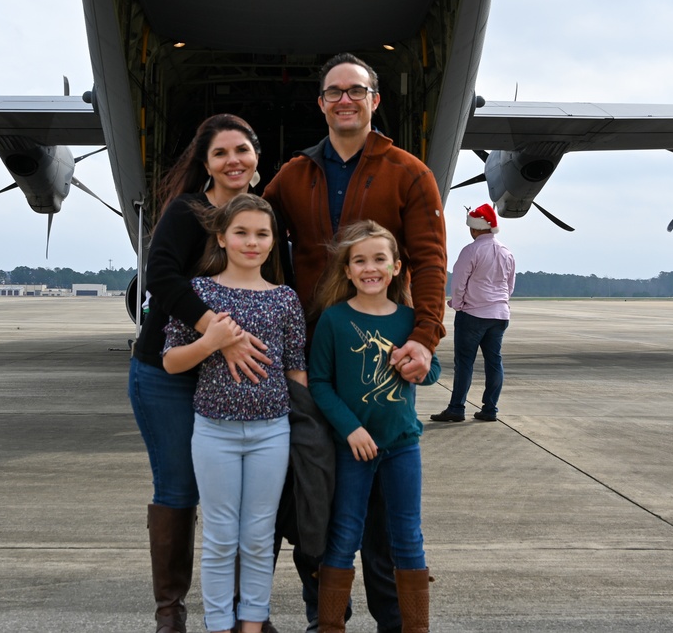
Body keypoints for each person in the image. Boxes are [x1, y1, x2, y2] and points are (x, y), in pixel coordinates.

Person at [263, 52, 446, 632]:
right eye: (334, 92)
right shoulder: (293, 175)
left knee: (388, 514)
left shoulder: (409, 172)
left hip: (381, 359)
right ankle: (328, 619)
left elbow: (431, 261)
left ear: (374, 100)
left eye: (356, 91)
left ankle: (397, 620)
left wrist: (424, 337)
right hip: (314, 360)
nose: (345, 99)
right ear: (321, 103)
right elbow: (255, 240)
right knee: (319, 499)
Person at [128, 114, 273, 633]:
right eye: (220, 153)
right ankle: (171, 612)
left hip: (231, 374)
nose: (233, 160)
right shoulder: (189, 213)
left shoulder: (260, 216)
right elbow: (160, 273)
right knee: (179, 488)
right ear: (206, 163)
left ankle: (244, 613)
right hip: (167, 372)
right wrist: (215, 330)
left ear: (256, 158)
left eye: (243, 150)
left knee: (238, 496)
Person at [162, 193, 307, 633]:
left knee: (260, 537)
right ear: (221, 237)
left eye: (261, 234)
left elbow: (295, 371)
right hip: (214, 431)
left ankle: (251, 623)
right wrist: (210, 341)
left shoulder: (285, 299)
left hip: (271, 432)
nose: (251, 242)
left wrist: (304, 433)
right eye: (241, 232)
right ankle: (219, 625)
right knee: (221, 537)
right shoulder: (201, 292)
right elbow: (171, 360)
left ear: (273, 242)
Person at [309, 220, 440, 632]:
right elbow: (319, 383)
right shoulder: (333, 320)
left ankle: (415, 626)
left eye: (379, 259)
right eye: (359, 260)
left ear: (397, 267)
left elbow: (432, 369)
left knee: (408, 536)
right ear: (346, 270)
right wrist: (350, 429)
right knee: (345, 534)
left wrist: (419, 367)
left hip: (402, 445)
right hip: (354, 448)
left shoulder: (409, 319)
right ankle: (331, 625)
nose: (370, 268)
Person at [431, 203, 515, 423]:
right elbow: (510, 285)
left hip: (474, 313)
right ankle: (490, 409)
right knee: (494, 361)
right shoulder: (507, 252)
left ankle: (457, 408)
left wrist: (457, 304)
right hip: (499, 314)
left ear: (475, 229)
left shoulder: (472, 250)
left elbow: (459, 282)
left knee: (465, 362)